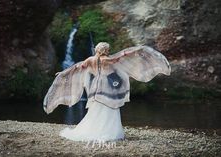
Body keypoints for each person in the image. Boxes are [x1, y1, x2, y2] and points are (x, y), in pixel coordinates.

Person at [43, 42, 171, 142]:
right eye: (108, 50)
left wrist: (63, 73)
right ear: (105, 50)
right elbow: (119, 58)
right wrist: (134, 51)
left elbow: (78, 67)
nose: (109, 52)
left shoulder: (89, 60)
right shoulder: (106, 60)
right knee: (110, 106)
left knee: (96, 108)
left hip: (94, 86)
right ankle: (108, 132)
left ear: (97, 50)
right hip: (106, 86)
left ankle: (92, 129)